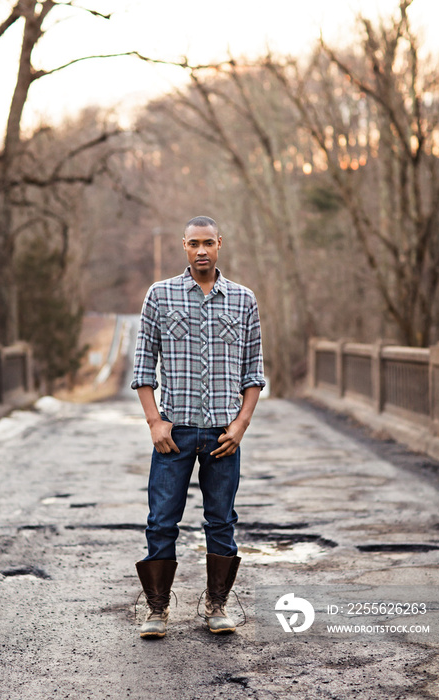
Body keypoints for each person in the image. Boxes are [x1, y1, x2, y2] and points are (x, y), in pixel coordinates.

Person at [132, 215, 265, 639]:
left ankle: (217, 605)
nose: (201, 250)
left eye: (209, 242)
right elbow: (142, 366)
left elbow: (254, 372)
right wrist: (155, 422)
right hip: (175, 433)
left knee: (221, 520)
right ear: (184, 246)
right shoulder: (160, 295)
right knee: (161, 520)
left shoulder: (243, 300)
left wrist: (241, 425)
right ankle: (156, 609)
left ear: (220, 244)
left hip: (223, 435)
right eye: (194, 243)